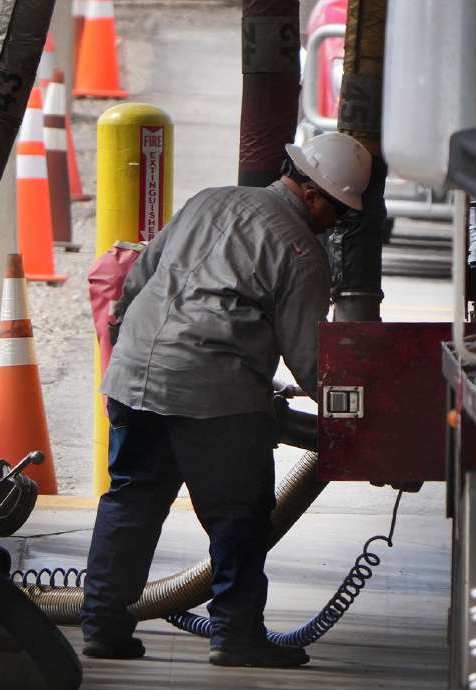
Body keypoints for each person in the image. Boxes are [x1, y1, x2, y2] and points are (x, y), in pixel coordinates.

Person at [80, 132, 373, 668]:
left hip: (135, 375)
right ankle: (235, 634)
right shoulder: (301, 251)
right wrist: (358, 415)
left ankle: (102, 626)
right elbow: (310, 360)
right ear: (312, 195)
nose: (337, 224)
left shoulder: (208, 199)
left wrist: (134, 350)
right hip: (212, 395)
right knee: (239, 513)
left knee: (132, 501)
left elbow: (138, 280)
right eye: (338, 211)